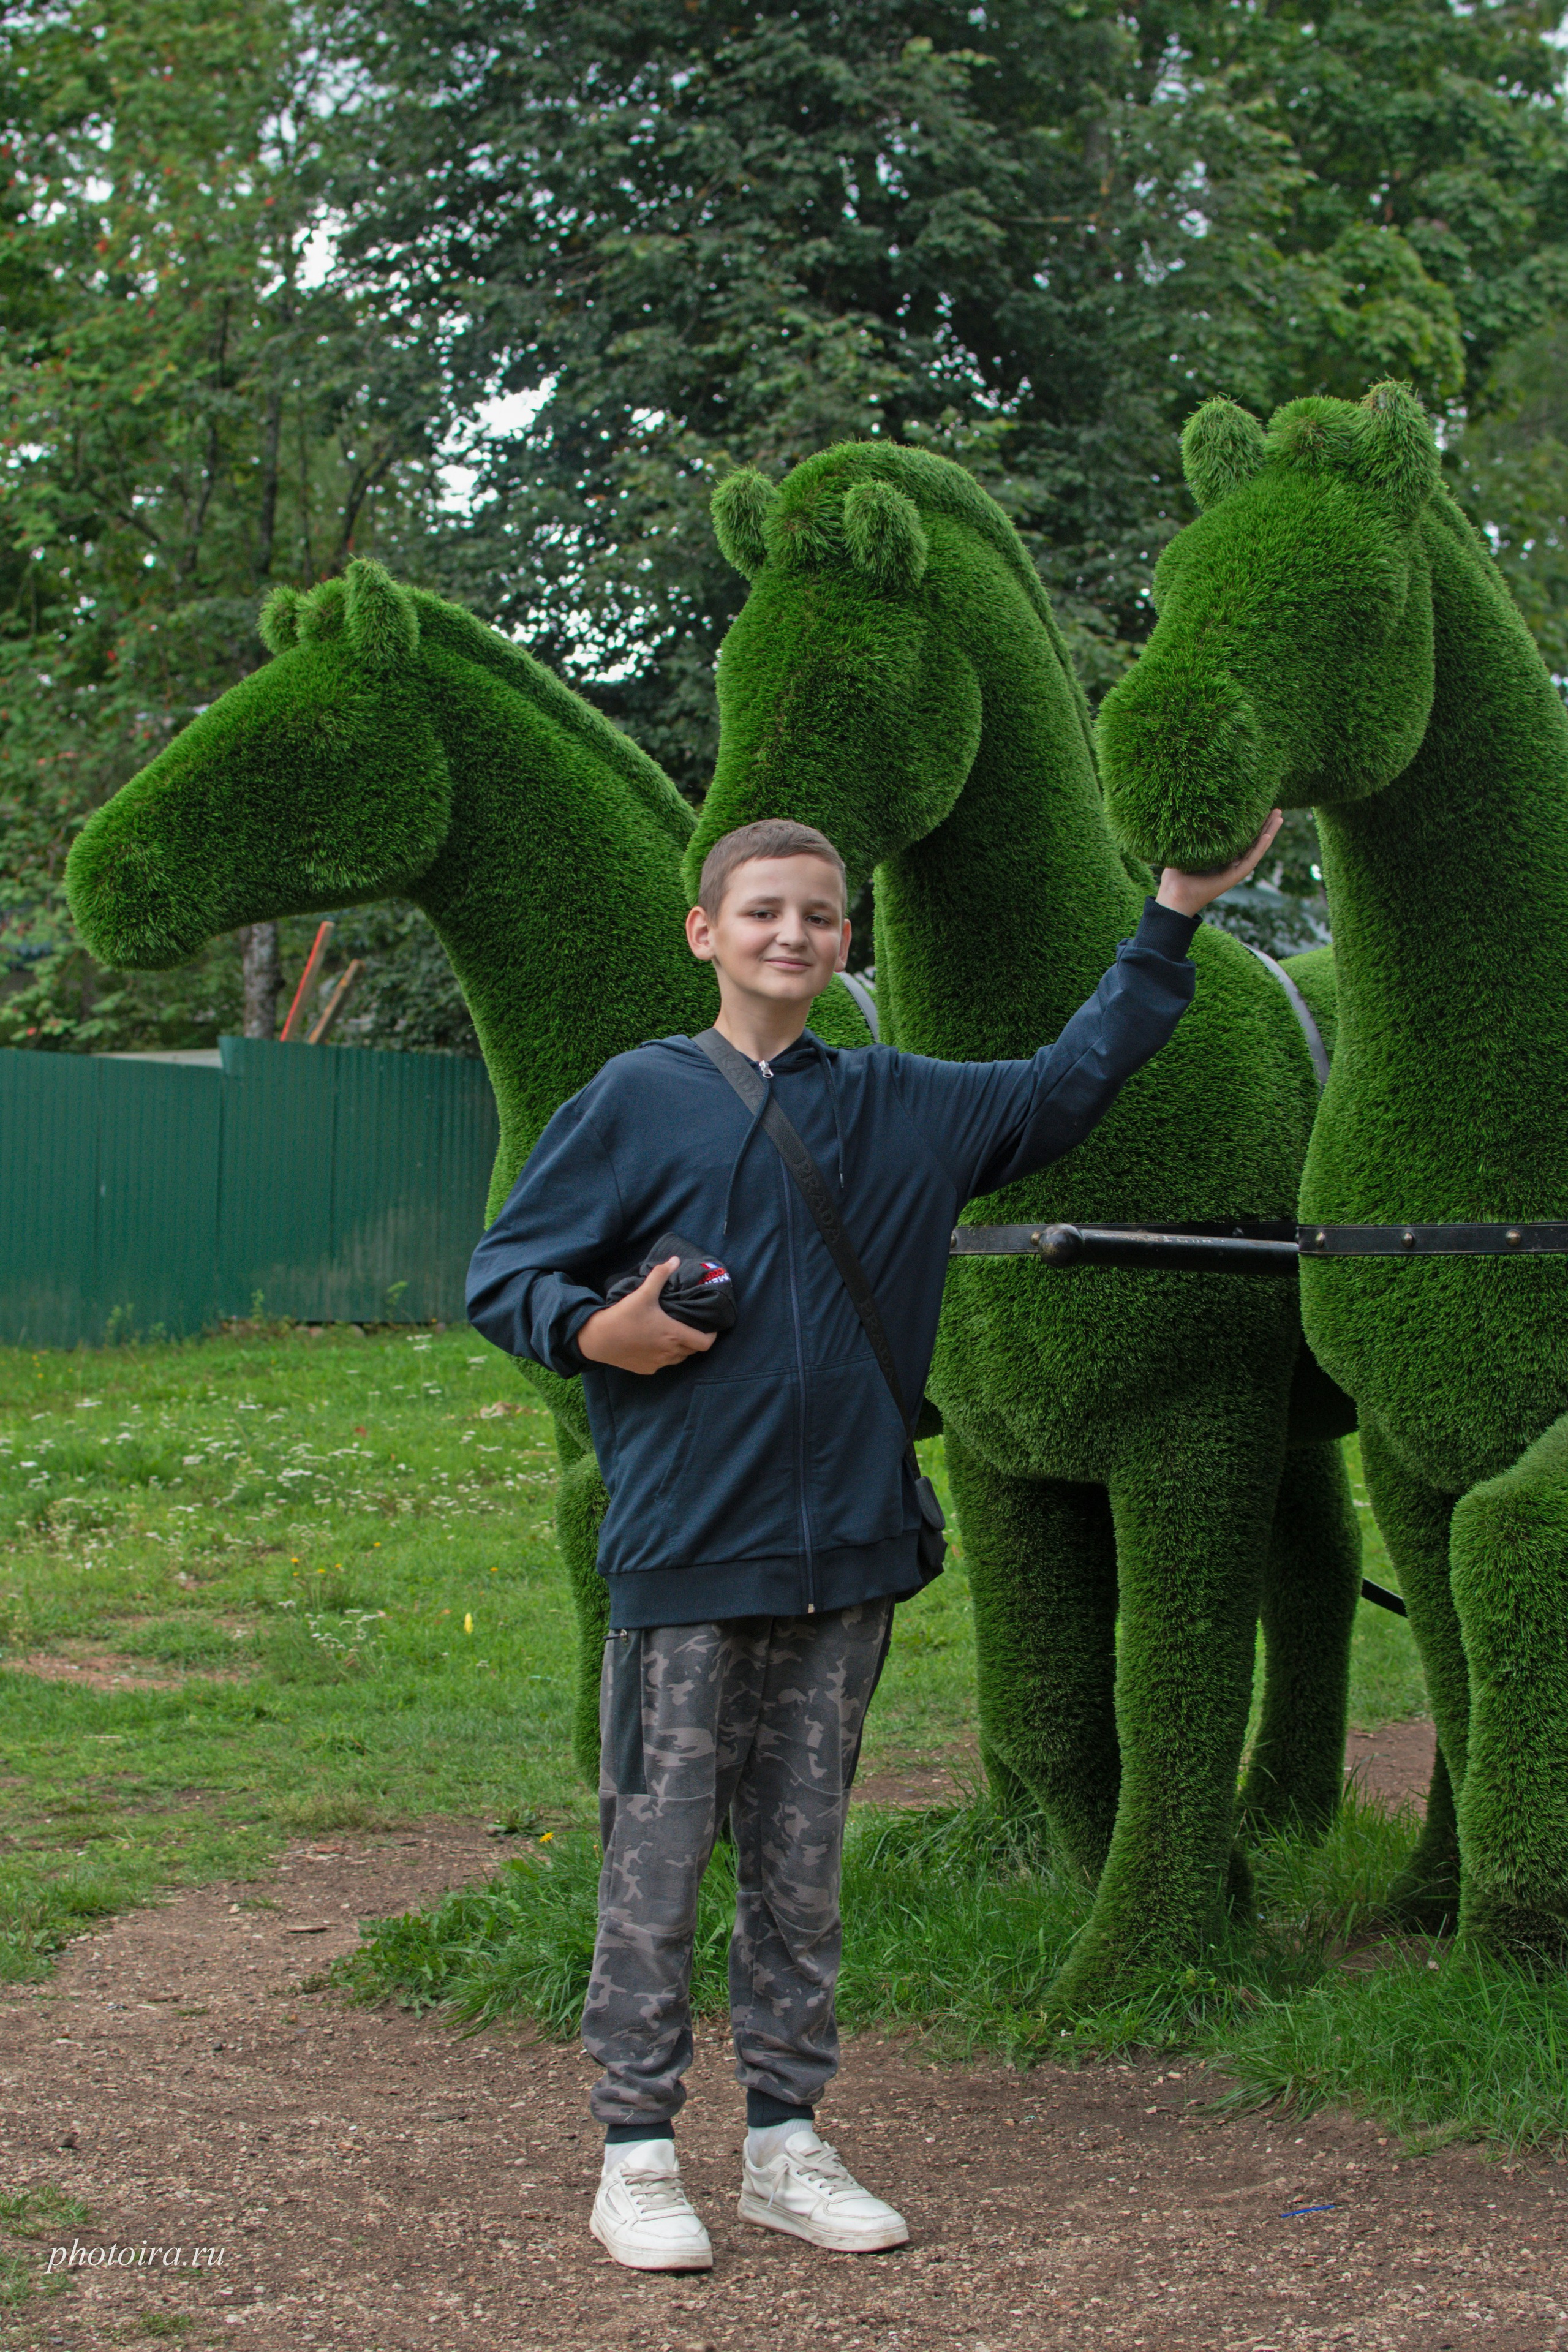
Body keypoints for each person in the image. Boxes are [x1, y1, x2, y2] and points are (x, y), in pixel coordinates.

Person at [466, 809, 1283, 2274]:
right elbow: (507, 1273)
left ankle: (783, 2139)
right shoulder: (632, 1101)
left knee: (800, 1860)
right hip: (684, 1549)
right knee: (652, 1864)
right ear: (706, 933)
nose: (795, 935)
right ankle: (636, 2151)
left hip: (845, 1551)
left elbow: (1072, 1078)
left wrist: (1171, 912)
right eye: (765, 911)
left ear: (851, 941)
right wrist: (601, 1328)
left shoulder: (908, 1104)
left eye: (823, 916)